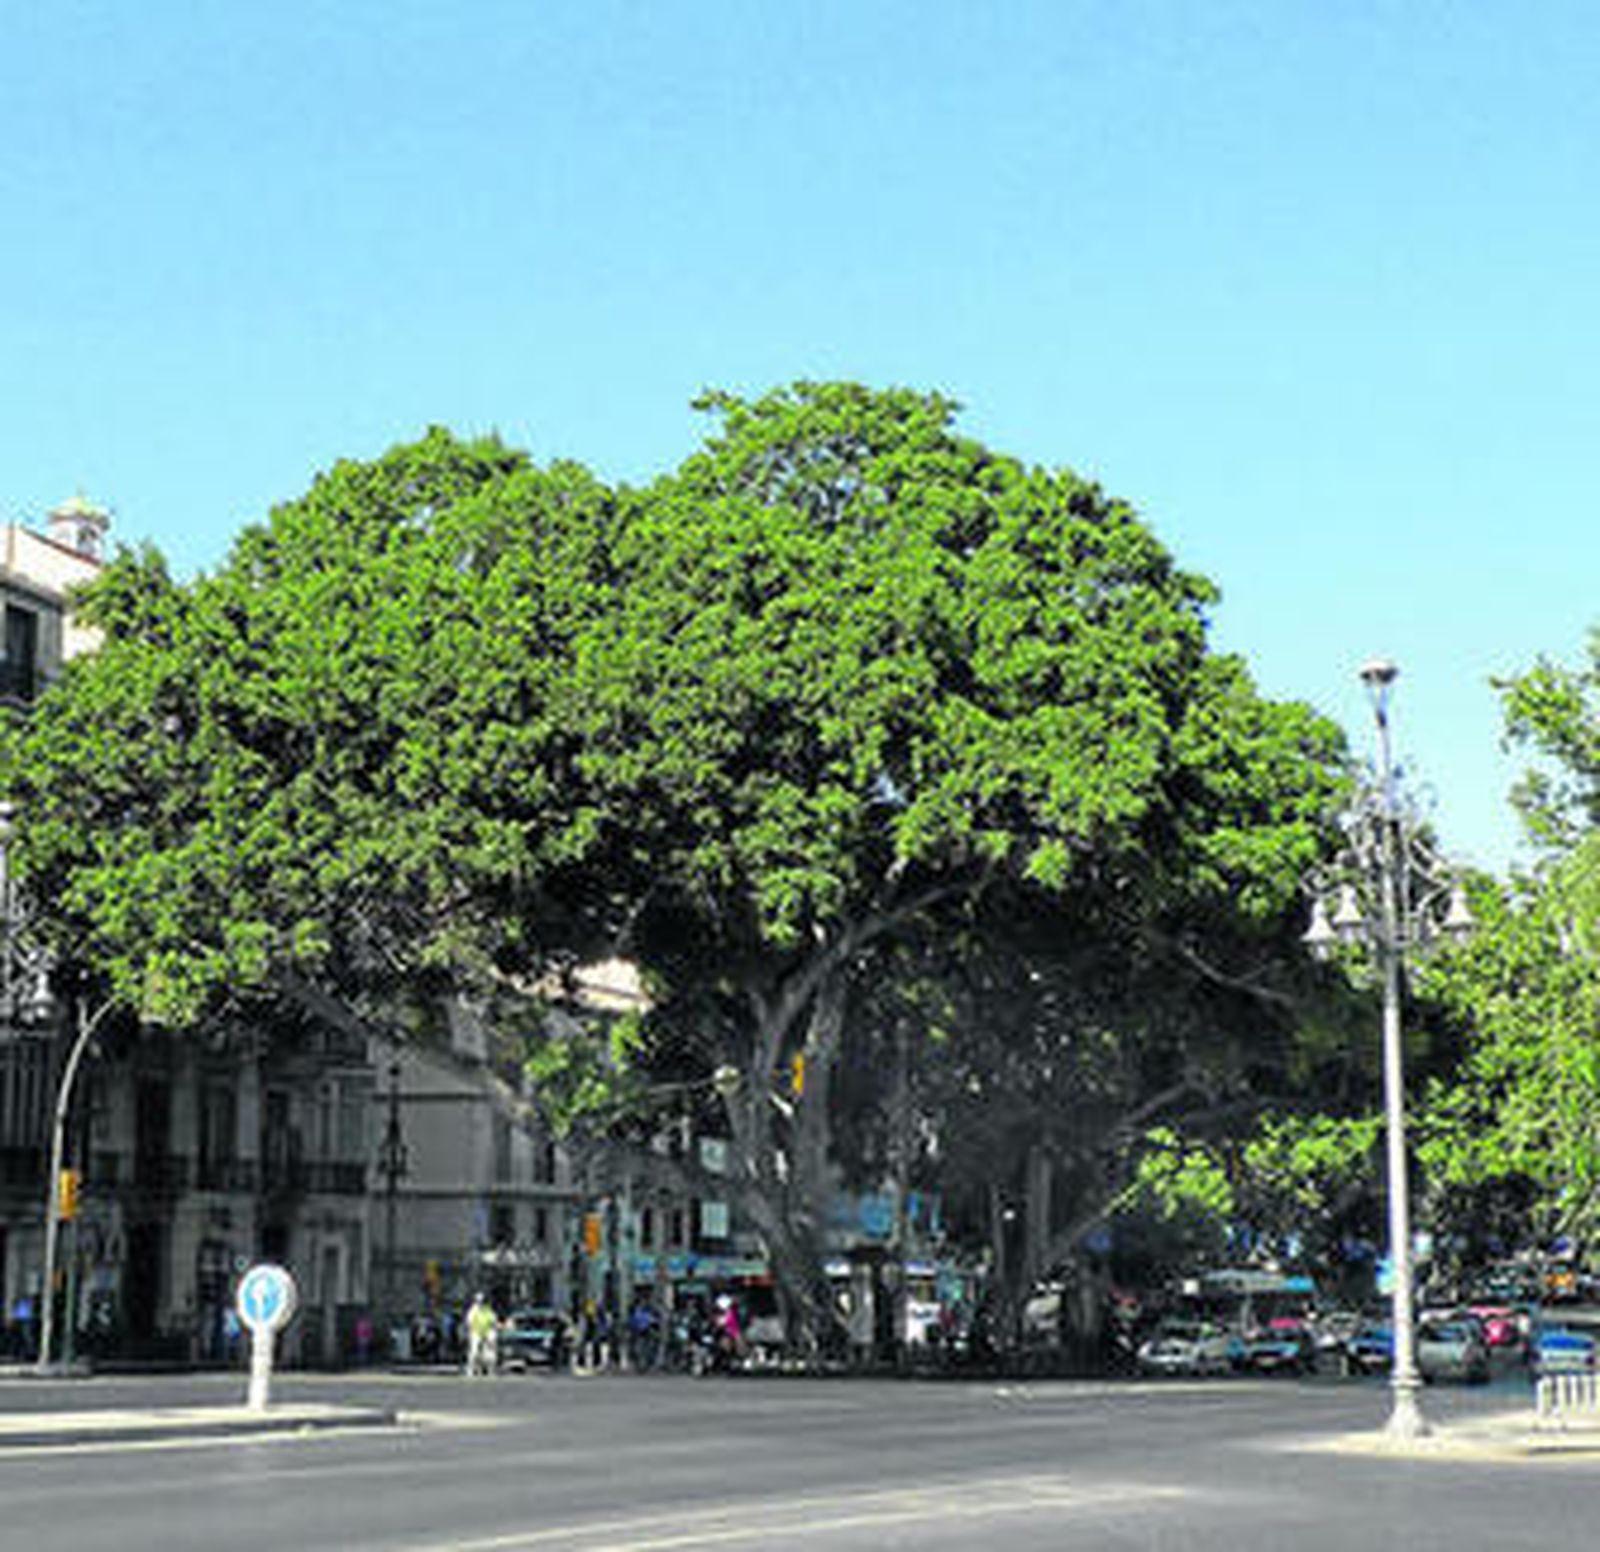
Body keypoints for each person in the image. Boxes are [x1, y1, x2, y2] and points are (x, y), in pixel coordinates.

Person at [466, 1292, 499, 1377]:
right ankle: (471, 1369)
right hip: (476, 1332)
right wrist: (474, 1332)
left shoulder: (488, 1310)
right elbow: (469, 1323)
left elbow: (494, 1321)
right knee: (474, 1351)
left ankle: (490, 1370)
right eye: (478, 1301)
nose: (480, 1303)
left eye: (482, 1301)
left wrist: (493, 1333)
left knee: (490, 1352)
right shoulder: (473, 1310)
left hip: (487, 1331)